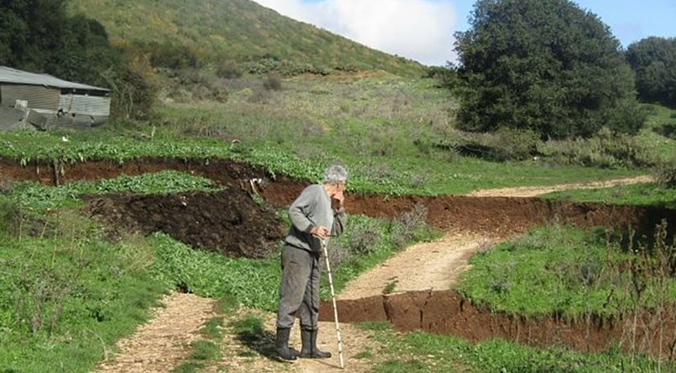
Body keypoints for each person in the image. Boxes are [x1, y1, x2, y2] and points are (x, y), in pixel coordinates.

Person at [275, 164, 348, 361]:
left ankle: (309, 347)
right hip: (298, 251)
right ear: (339, 183)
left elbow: (338, 231)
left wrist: (339, 209)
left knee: (311, 300)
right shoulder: (315, 191)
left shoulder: (329, 202)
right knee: (292, 296)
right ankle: (281, 346)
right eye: (344, 184)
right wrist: (312, 228)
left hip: (315, 255)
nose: (345, 188)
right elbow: (294, 210)